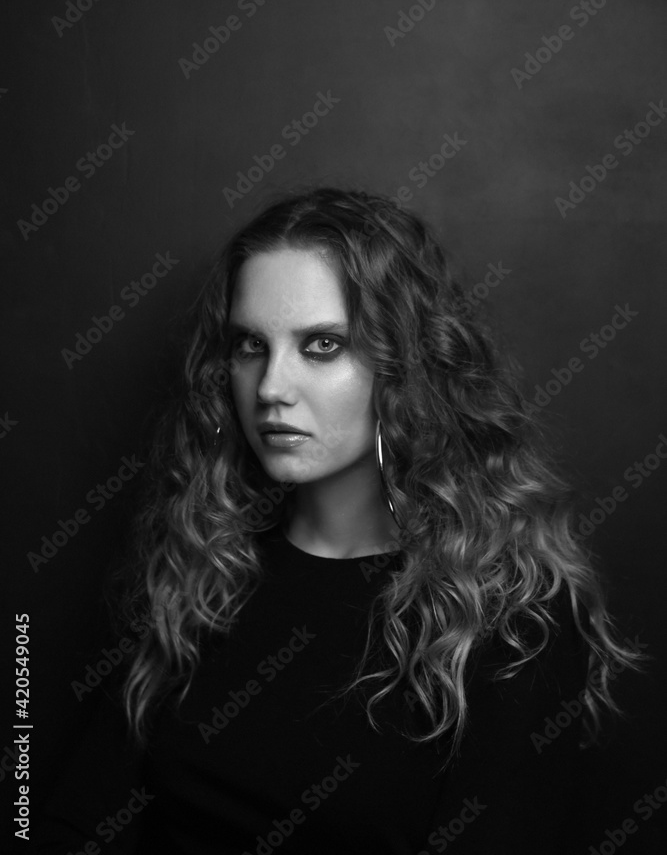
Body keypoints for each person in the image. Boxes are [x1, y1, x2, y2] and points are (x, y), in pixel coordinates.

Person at [37, 187, 642, 854]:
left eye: (321, 345)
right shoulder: (199, 565)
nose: (271, 387)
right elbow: (80, 820)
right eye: (248, 346)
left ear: (404, 366)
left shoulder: (513, 617)